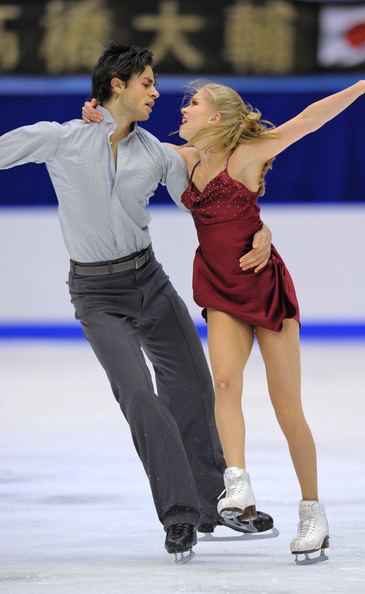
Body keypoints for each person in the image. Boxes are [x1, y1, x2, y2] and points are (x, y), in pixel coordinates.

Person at [86, 72, 365, 562]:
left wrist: (359, 88)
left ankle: (313, 513)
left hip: (264, 287)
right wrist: (99, 116)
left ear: (218, 117)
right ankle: (238, 485)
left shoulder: (246, 155)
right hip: (219, 288)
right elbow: (126, 141)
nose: (182, 111)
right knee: (224, 384)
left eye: (194, 105)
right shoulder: (181, 160)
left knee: (286, 407)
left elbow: (308, 122)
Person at [0, 44, 275, 562]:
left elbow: (216, 202)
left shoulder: (157, 154)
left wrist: (260, 227)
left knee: (192, 382)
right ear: (117, 85)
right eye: (146, 83)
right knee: (140, 396)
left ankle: (216, 503)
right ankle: (179, 515)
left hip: (149, 282)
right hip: (96, 294)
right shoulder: (60, 140)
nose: (156, 92)